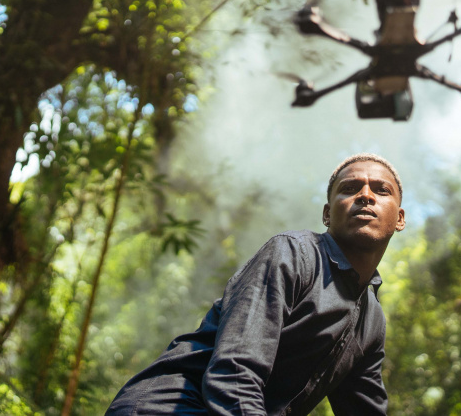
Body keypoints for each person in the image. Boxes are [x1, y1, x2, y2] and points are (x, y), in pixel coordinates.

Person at [106, 153, 406, 415]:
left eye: (381, 190)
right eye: (350, 188)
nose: (365, 195)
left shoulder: (371, 321)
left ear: (399, 219)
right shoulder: (293, 254)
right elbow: (235, 373)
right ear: (327, 214)